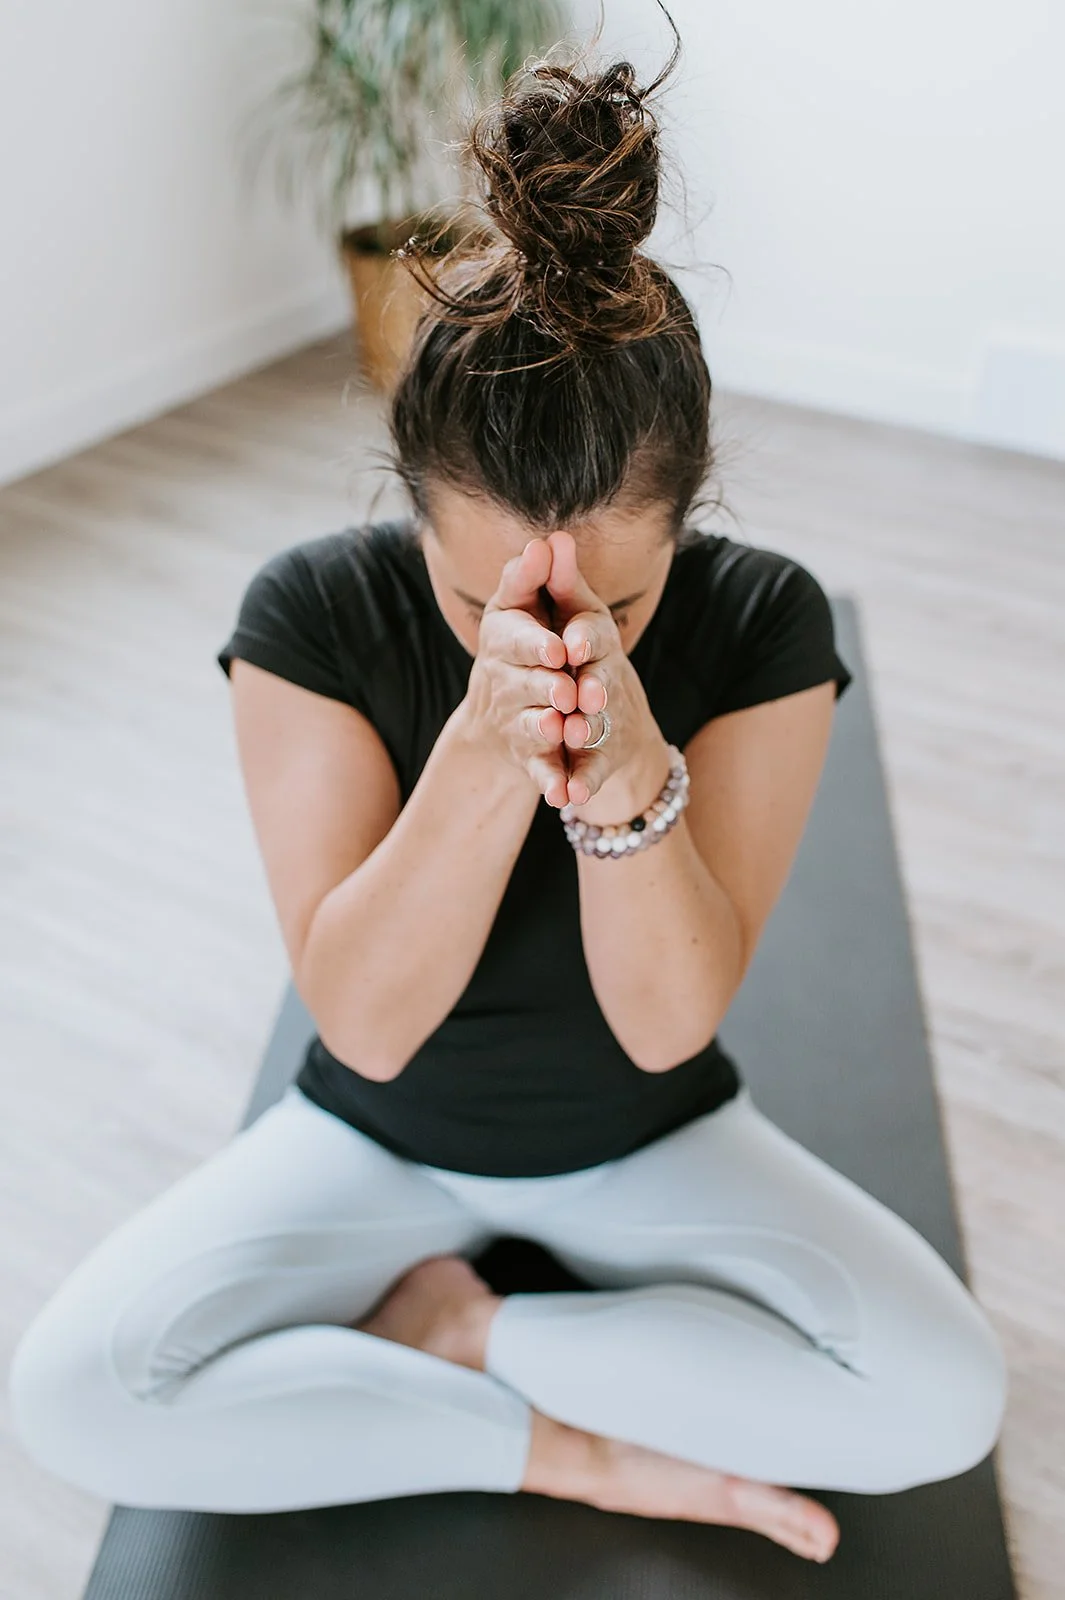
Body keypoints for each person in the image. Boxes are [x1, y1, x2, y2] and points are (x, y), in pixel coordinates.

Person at [8, 43, 1006, 1570]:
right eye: (483, 594)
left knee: (943, 1402)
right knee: (74, 1397)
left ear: (690, 528)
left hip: (647, 1138)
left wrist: (624, 779)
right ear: (409, 516)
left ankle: (463, 1336)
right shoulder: (313, 616)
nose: (550, 627)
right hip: (375, 1141)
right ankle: (563, 1445)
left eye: (619, 594)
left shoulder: (761, 627)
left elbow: (667, 1028)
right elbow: (368, 1025)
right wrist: (479, 757)